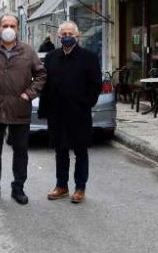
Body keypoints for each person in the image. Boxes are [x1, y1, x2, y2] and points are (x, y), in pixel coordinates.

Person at [0, 14, 47, 205]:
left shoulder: (28, 50)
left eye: (12, 25)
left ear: (17, 28)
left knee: (21, 152)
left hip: (19, 109)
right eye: (5, 25)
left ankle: (18, 189)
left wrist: (29, 94)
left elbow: (41, 75)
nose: (8, 28)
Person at [38, 21, 102, 204]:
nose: (67, 36)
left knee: (81, 151)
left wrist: (85, 103)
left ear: (77, 36)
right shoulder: (51, 57)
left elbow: (95, 85)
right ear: (59, 37)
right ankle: (61, 186)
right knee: (60, 151)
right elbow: (46, 85)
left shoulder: (89, 57)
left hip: (79, 113)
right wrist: (45, 110)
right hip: (57, 113)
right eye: (63, 33)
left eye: (70, 33)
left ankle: (80, 188)